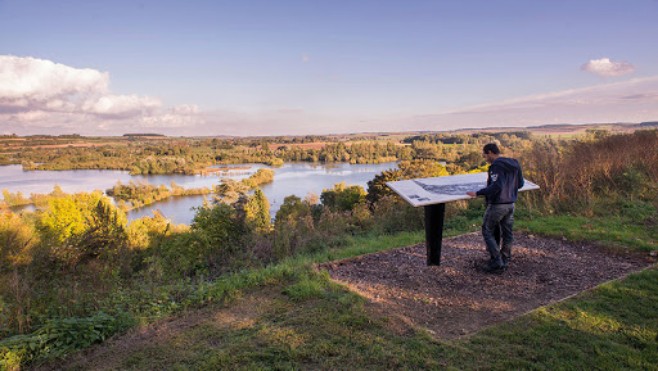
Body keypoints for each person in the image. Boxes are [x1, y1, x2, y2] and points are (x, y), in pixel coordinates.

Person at [467, 143, 524, 273]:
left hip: (498, 205)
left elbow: (497, 186)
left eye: (485, 155)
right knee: (507, 232)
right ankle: (505, 257)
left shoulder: (496, 166)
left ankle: (496, 261)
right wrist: (510, 191)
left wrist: (478, 193)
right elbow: (520, 183)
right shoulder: (514, 163)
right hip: (511, 204)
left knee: (487, 230)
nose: (485, 158)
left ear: (491, 152)